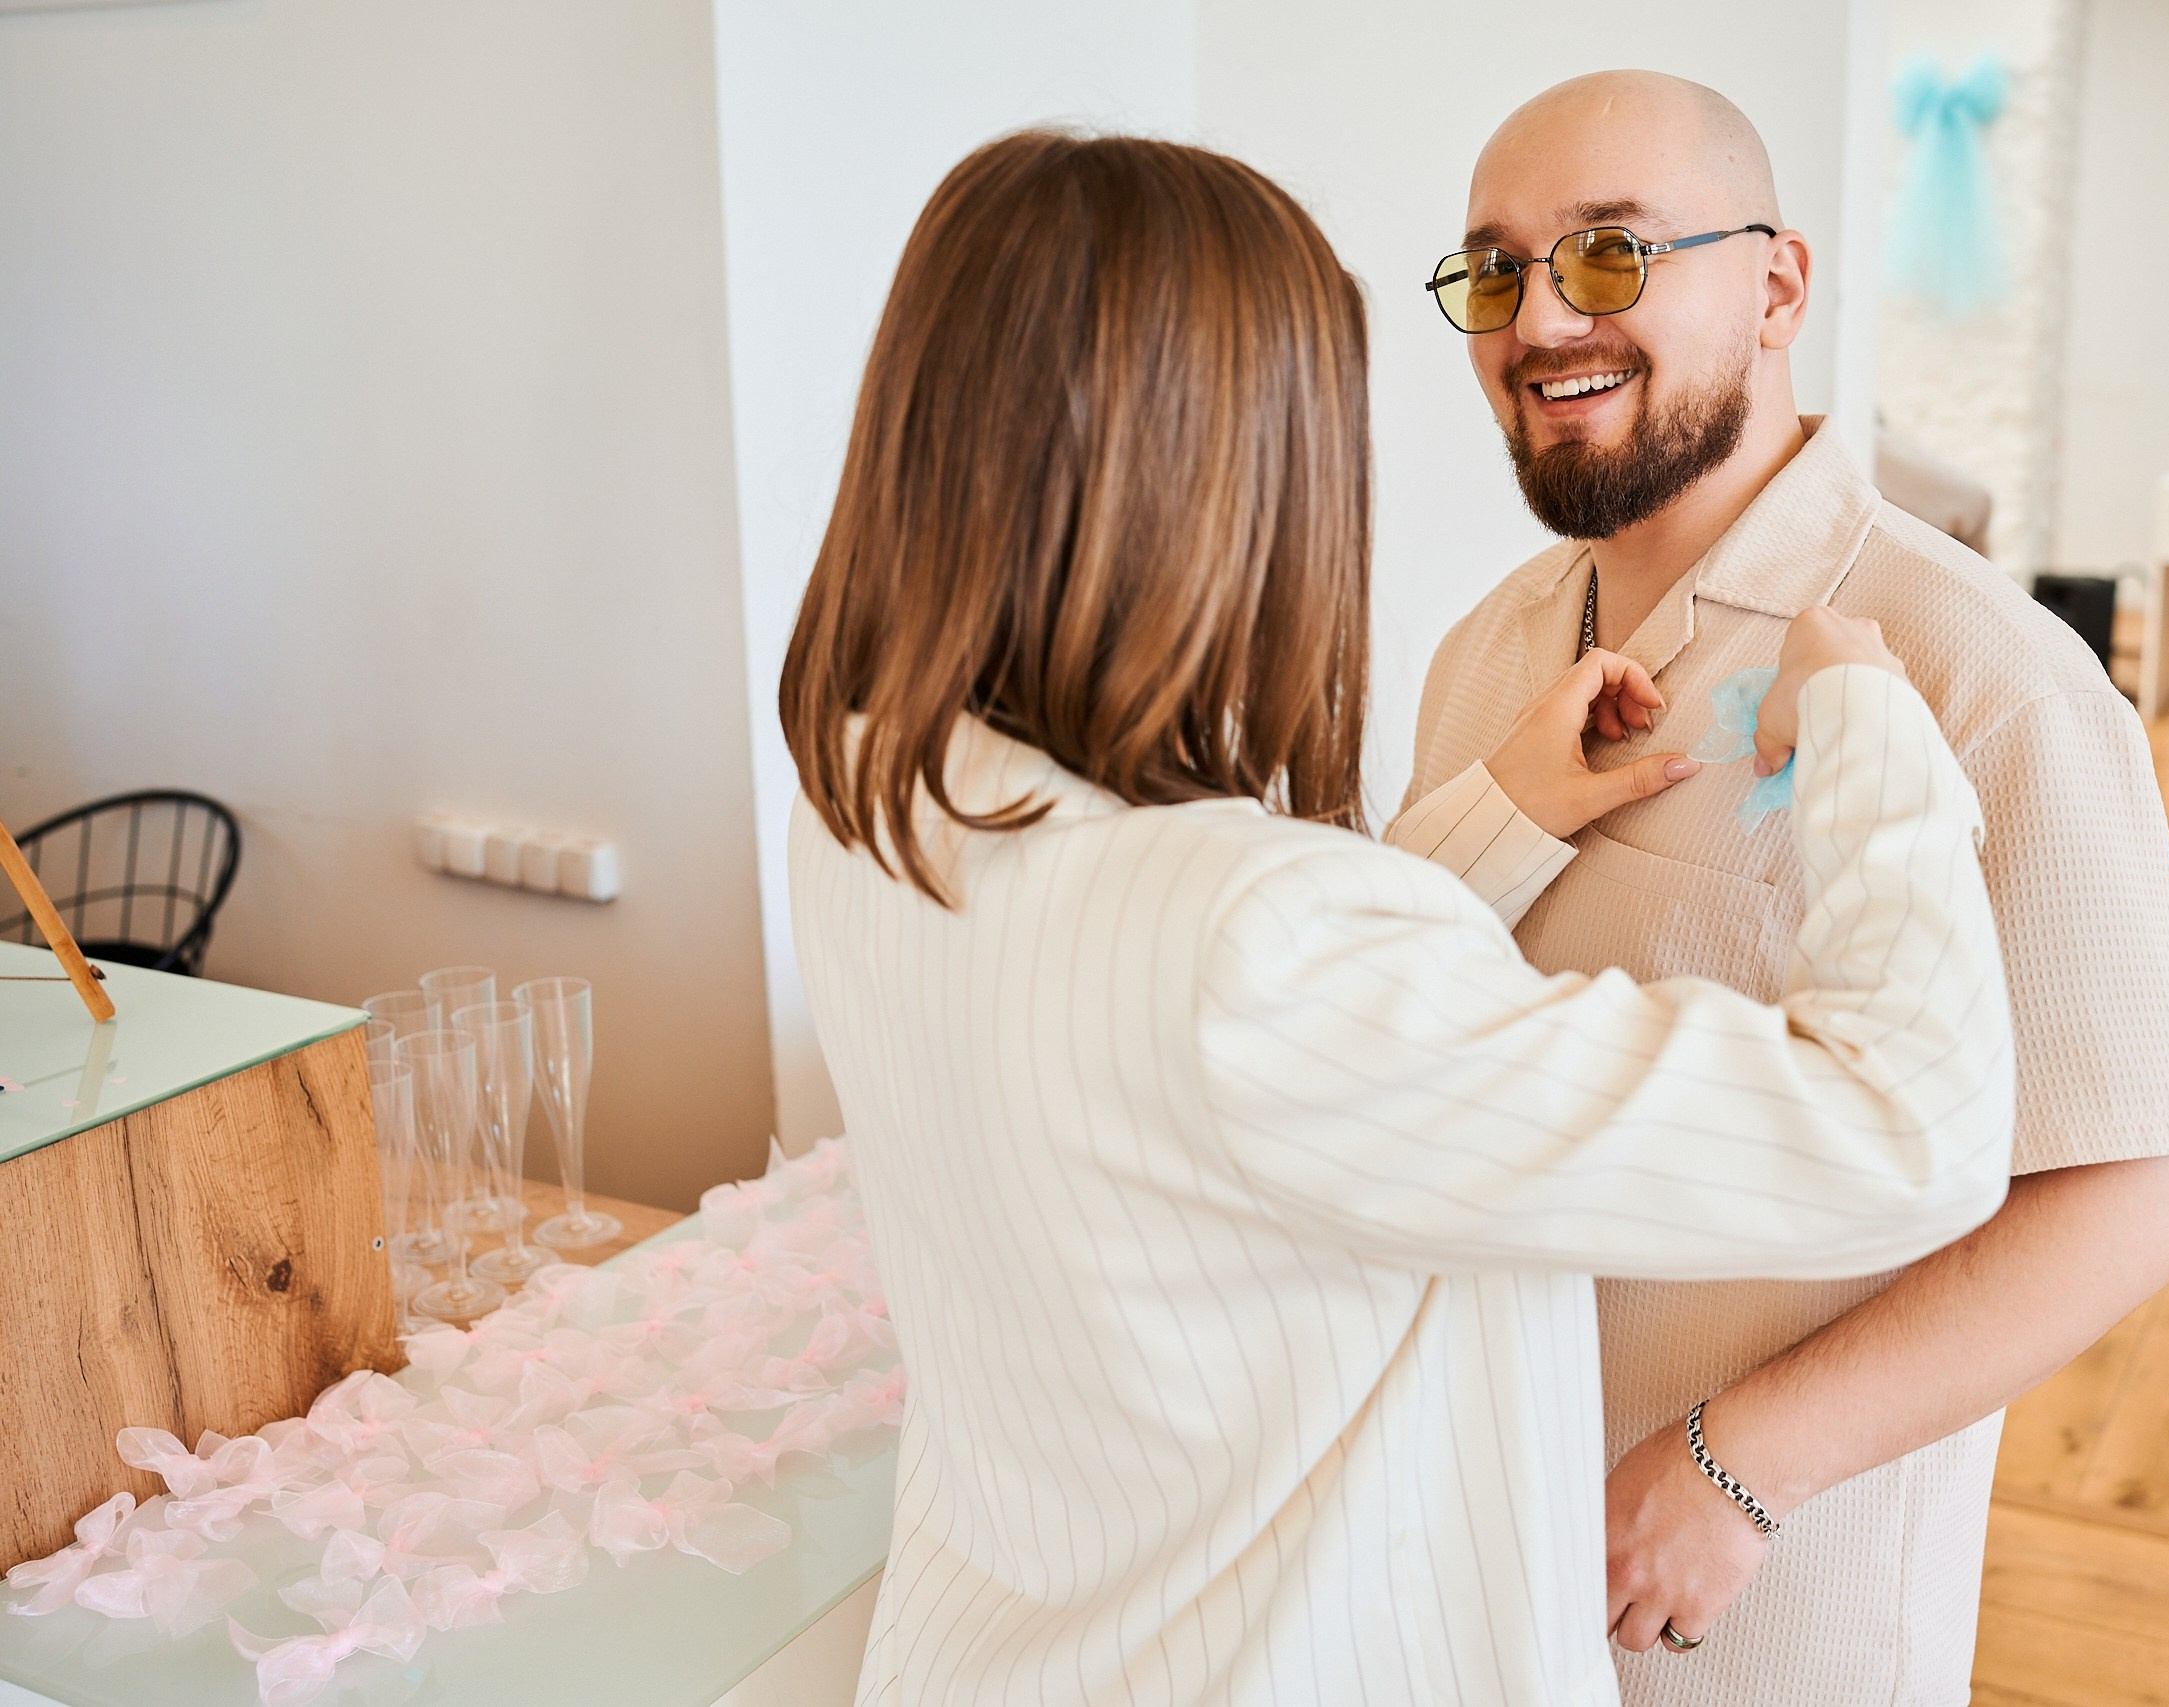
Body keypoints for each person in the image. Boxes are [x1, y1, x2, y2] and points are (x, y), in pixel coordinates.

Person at [782, 130, 2016, 1705]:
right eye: (1499, 272)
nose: (1540, 327)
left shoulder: (880, 794)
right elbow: (1908, 1127)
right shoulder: (1259, 943)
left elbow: (1237, 1078)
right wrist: (1867, 735)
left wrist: (1491, 821)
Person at [1398, 71, 2169, 1704]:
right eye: (1495, 271)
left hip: (1762, 1613)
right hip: (1463, 1558)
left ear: (1777, 285)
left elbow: (2139, 1192)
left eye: (1613, 255)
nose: (1543, 318)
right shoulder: (1485, 649)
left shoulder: (1985, 676)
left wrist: (1740, 1463)